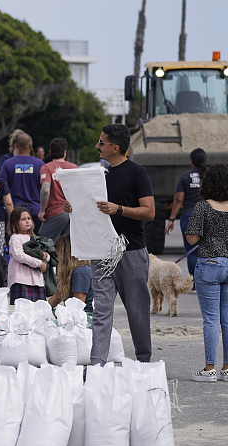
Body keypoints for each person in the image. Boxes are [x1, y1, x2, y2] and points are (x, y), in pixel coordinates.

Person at [67, 123, 155, 365]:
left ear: (115, 148)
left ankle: (144, 362)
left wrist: (120, 209)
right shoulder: (99, 176)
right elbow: (90, 208)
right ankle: (97, 364)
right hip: (102, 250)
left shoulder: (138, 174)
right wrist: (73, 207)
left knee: (137, 311)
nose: (97, 146)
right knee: (101, 310)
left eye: (102, 143)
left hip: (131, 251)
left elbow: (149, 212)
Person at [184, 163, 228, 382]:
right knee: (227, 319)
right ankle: (227, 369)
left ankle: (209, 368)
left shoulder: (202, 207)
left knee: (211, 319)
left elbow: (191, 237)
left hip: (210, 263)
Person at [166, 147, 207, 277]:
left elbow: (179, 199)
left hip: (189, 216)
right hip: (208, 215)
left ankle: (195, 281)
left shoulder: (185, 176)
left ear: (191, 161)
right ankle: (209, 278)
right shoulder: (209, 176)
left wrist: (171, 219)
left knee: (192, 251)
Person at [0, 133, 44, 233]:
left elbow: (2, 189)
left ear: (16, 146)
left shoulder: (7, 164)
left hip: (15, 212)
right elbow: (44, 188)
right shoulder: (40, 164)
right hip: (35, 211)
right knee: (35, 245)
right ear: (31, 146)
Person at [47, 235, 93, 324]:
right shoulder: (71, 272)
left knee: (50, 326)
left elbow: (78, 303)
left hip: (86, 316)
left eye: (58, 255)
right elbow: (58, 295)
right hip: (75, 313)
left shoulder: (81, 271)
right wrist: (44, 310)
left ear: (66, 255)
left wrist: (58, 315)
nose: (57, 259)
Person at [38, 137, 77, 242]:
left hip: (55, 212)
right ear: (65, 152)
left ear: (50, 152)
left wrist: (42, 210)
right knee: (66, 246)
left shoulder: (47, 168)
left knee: (43, 242)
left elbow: (45, 189)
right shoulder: (74, 168)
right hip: (72, 212)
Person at [7, 207, 48, 302]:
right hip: (21, 280)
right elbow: (19, 256)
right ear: (14, 223)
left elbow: (45, 252)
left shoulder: (34, 237)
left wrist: (46, 256)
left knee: (38, 311)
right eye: (23, 219)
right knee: (23, 312)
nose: (27, 221)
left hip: (37, 281)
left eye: (29, 218)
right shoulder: (15, 238)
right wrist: (39, 263)